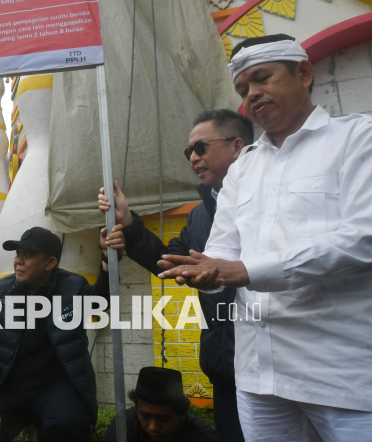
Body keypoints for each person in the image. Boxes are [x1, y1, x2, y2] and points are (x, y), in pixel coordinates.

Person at [159, 34, 372, 440]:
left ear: (304, 73)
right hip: (258, 373)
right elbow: (223, 245)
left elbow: (363, 237)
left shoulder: (357, 139)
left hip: (343, 372)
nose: (252, 94)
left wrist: (243, 270)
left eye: (262, 79)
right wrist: (207, 269)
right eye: (243, 89)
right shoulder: (244, 168)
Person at [98, 109, 252, 441]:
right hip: (226, 371)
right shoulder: (199, 218)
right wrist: (128, 223)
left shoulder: (272, 202)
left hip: (276, 365)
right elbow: (167, 261)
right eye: (189, 152)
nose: (193, 158)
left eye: (201, 148)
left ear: (237, 146)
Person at [0, 226, 107, 441]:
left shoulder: (73, 287)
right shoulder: (0, 292)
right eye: (18, 254)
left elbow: (101, 301)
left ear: (50, 263)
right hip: (9, 388)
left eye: (28, 255)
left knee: (71, 425)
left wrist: (107, 258)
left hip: (55, 388)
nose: (18, 261)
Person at [103, 367, 216, 442]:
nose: (153, 427)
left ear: (181, 415)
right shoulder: (123, 429)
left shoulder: (202, 436)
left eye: (163, 419)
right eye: (145, 416)